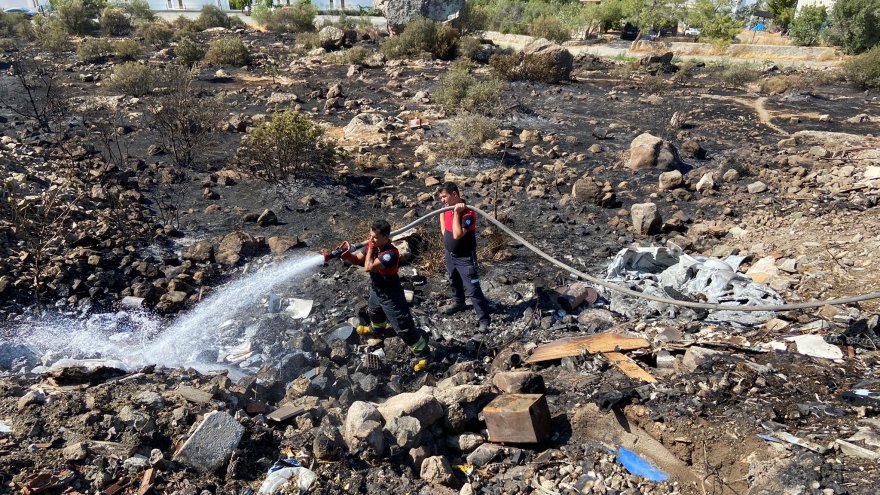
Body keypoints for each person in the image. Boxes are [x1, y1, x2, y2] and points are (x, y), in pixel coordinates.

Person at [335, 219, 431, 371]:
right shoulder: (372, 246)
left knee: (402, 327)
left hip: (391, 293)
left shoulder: (390, 254)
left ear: (386, 237)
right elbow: (356, 260)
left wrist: (371, 248)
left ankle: (424, 354)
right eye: (370, 235)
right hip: (377, 289)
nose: (371, 239)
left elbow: (368, 267)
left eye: (375, 237)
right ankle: (377, 331)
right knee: (373, 311)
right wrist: (345, 255)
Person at [437, 182, 491, 332]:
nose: (442, 200)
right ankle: (458, 302)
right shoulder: (446, 208)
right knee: (453, 279)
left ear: (455, 194)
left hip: (464, 258)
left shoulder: (468, 214)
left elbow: (457, 234)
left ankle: (484, 319)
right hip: (450, 254)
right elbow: (442, 215)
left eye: (444, 196)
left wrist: (457, 214)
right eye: (441, 197)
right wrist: (444, 234)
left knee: (473, 288)